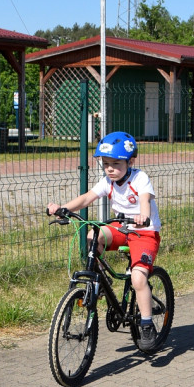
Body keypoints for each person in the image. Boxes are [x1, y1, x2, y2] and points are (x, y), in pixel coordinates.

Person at [47, 131, 164, 350]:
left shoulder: (140, 178)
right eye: (106, 164)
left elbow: (145, 201)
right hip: (121, 227)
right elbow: (86, 198)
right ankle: (101, 282)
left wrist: (143, 216)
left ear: (130, 161)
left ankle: (147, 325)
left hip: (144, 231)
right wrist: (63, 208)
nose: (110, 169)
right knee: (93, 236)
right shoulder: (107, 182)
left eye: (116, 164)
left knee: (139, 279)